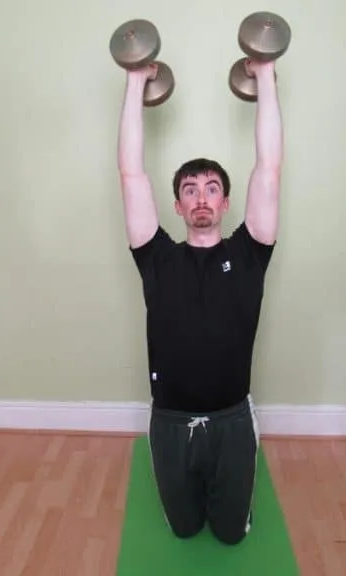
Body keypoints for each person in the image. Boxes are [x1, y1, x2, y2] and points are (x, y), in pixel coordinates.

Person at [116, 59, 282, 545]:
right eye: (190, 190)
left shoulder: (250, 254)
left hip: (232, 418)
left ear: (227, 203)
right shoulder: (157, 258)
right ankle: (185, 500)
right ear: (179, 206)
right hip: (169, 419)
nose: (201, 198)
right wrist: (133, 81)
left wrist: (266, 73)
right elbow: (131, 175)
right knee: (185, 530)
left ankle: (237, 496)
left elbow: (269, 170)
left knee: (232, 535)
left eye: (212, 189)